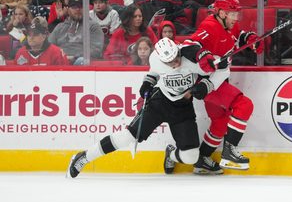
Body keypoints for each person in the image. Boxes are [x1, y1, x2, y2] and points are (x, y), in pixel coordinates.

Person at [66, 37, 228, 178]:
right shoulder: (155, 58)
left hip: (183, 107)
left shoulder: (192, 57)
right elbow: (155, 73)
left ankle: (170, 155)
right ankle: (83, 157)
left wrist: (208, 85)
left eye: (176, 58)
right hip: (159, 103)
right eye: (170, 62)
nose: (175, 63)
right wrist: (148, 82)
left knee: (191, 157)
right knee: (128, 137)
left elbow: (224, 68)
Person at [187, 0, 263, 174]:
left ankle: (202, 160)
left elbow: (238, 36)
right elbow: (190, 44)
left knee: (220, 123)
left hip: (220, 80)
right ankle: (229, 152)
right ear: (221, 13)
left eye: (237, 14)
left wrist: (250, 39)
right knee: (244, 105)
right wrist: (204, 56)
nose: (235, 18)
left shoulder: (230, 24)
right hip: (207, 82)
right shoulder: (209, 26)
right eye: (231, 14)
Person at [49, 0, 104, 65]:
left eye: (80, 7)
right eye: (74, 7)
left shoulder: (93, 26)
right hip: (60, 62)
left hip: (81, 63)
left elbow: (96, 50)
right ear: (68, 10)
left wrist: (74, 57)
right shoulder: (60, 27)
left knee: (81, 61)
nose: (77, 9)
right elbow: (48, 47)